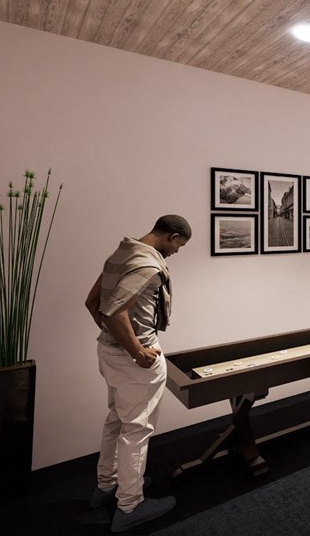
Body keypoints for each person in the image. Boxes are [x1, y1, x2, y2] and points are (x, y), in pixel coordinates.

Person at [84, 215, 191, 533]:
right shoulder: (147, 264)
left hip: (108, 352)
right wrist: (136, 351)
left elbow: (92, 302)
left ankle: (106, 485)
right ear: (172, 237)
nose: (177, 252)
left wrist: (115, 340)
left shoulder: (121, 253)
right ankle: (130, 505)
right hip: (135, 360)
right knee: (137, 430)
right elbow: (114, 312)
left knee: (117, 420)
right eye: (180, 246)